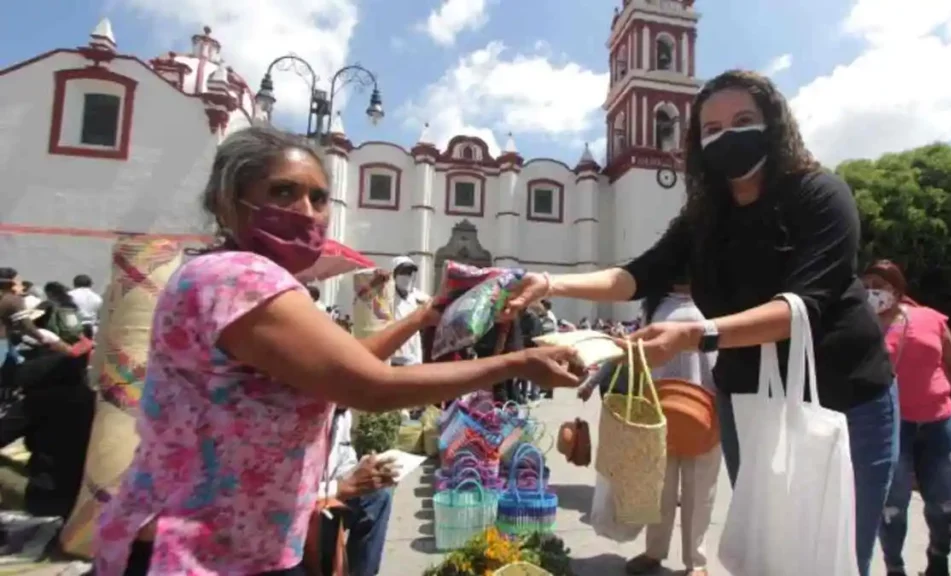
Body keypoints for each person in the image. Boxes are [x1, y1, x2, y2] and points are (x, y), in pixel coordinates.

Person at [92, 126, 583, 576]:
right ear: (229, 204)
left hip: (232, 543)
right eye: (283, 191)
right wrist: (520, 363)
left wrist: (419, 318)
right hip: (195, 552)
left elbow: (344, 366)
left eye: (319, 196)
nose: (306, 210)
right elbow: (367, 386)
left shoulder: (239, 276)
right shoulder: (240, 278)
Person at [505, 70, 897, 575]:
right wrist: (550, 283)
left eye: (742, 121)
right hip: (749, 402)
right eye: (710, 128)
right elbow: (635, 276)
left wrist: (696, 334)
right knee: (769, 549)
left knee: (839, 553)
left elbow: (801, 305)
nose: (726, 136)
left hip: (845, 401)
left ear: (773, 125)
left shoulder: (820, 194)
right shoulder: (704, 217)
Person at [862, 260, 951, 576]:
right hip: (890, 426)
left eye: (879, 284)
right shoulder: (861, 324)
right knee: (893, 506)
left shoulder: (930, 319)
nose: (872, 291)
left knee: (945, 502)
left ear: (896, 289)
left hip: (939, 422)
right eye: (866, 284)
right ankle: (894, 567)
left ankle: (938, 558)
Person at [616, 276, 721, 576]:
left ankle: (696, 563)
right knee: (659, 489)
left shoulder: (717, 302)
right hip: (659, 407)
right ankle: (654, 552)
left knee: (699, 491)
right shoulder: (654, 306)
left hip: (707, 408)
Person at [316, 407, 392, 576]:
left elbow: (345, 459)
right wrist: (342, 487)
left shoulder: (342, 414)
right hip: (305, 506)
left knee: (378, 497)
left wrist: (361, 469)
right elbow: (291, 493)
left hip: (332, 494)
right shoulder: (304, 418)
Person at [390, 256, 428, 367]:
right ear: (394, 274)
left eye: (409, 273)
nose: (407, 276)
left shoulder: (418, 298)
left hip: (414, 358)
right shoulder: (386, 297)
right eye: (403, 272)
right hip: (394, 360)